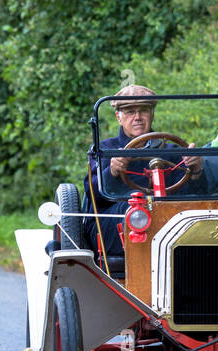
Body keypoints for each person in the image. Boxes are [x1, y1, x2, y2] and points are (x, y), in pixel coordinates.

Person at [72, 84, 201, 259]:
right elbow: (92, 196)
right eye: (130, 112)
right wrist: (112, 172)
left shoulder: (172, 150)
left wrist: (195, 169)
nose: (138, 117)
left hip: (168, 224)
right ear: (119, 117)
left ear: (152, 114)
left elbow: (189, 195)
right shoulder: (104, 149)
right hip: (115, 226)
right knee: (133, 207)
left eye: (144, 111)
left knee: (195, 210)